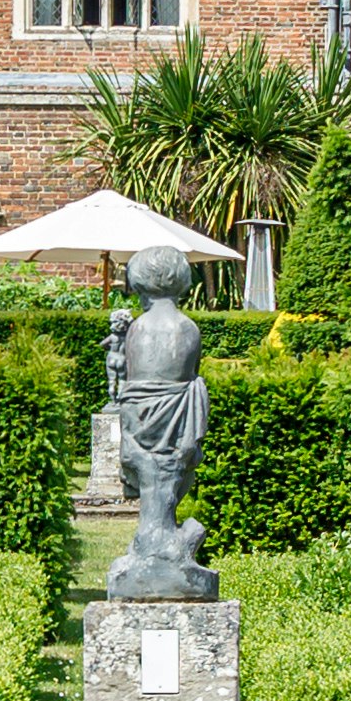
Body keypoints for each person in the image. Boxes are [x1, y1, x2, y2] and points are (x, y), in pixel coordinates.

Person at [101, 246, 217, 599]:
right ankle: (163, 547)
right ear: (181, 280)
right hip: (176, 414)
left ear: (139, 283)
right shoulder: (187, 327)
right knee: (170, 481)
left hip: (141, 415)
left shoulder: (136, 328)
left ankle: (152, 545)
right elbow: (187, 374)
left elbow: (137, 383)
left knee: (153, 482)